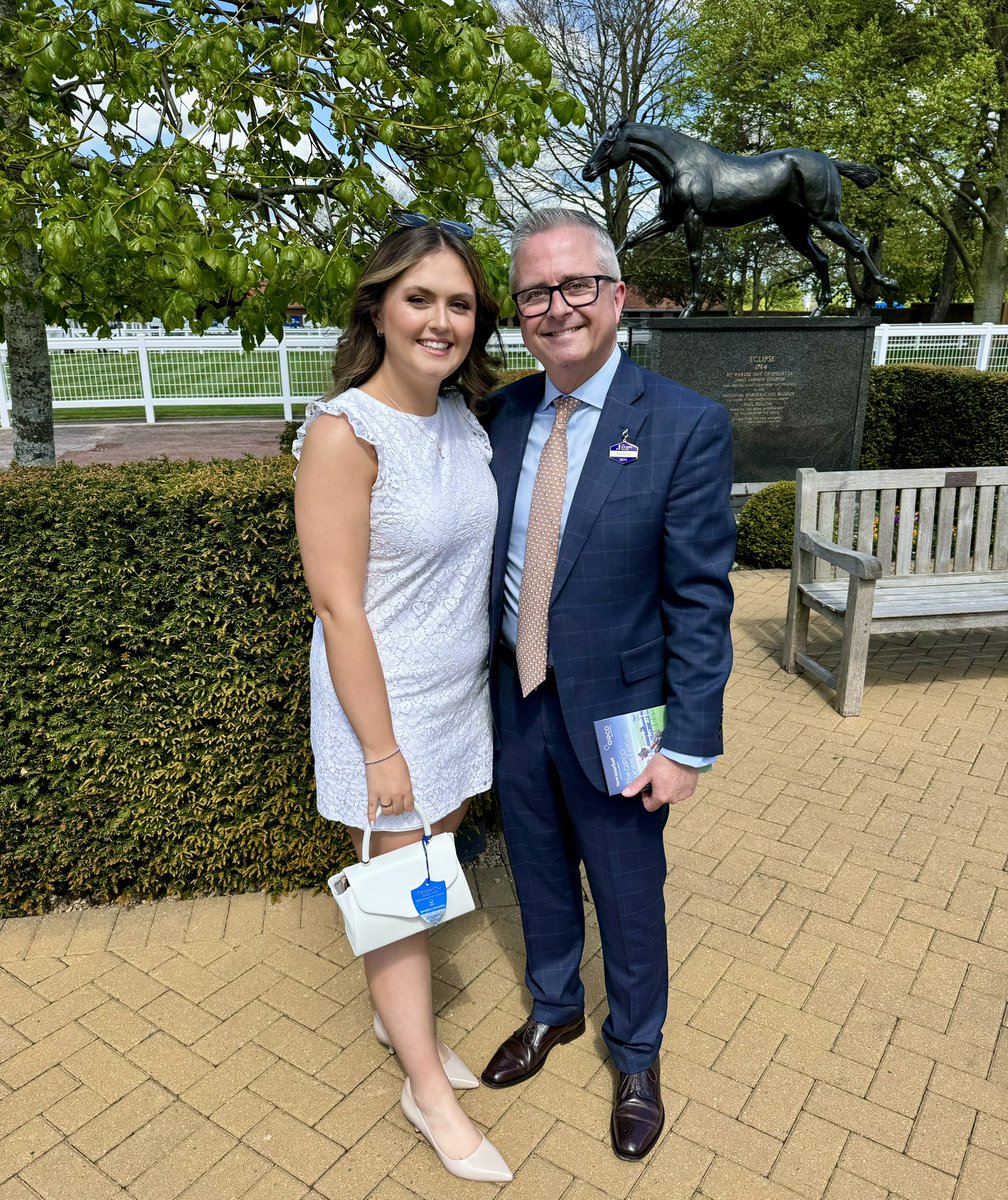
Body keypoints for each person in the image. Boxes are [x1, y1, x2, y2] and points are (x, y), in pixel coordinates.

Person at [480, 208, 736, 1161]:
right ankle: (555, 1007)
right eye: (537, 292)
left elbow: (701, 600)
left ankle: (636, 1051)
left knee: (627, 889)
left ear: (616, 294)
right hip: (516, 696)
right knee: (537, 868)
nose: (558, 308)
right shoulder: (500, 416)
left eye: (577, 285)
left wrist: (688, 744)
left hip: (628, 717)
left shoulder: (683, 425)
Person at [293, 212, 511, 1184]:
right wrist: (382, 750)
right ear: (377, 307)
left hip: (456, 699)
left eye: (458, 303)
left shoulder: (463, 417)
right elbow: (340, 607)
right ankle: (426, 1091)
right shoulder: (346, 431)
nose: (440, 320)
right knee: (392, 894)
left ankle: (402, 1027)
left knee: (429, 875)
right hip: (381, 705)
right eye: (419, 297)